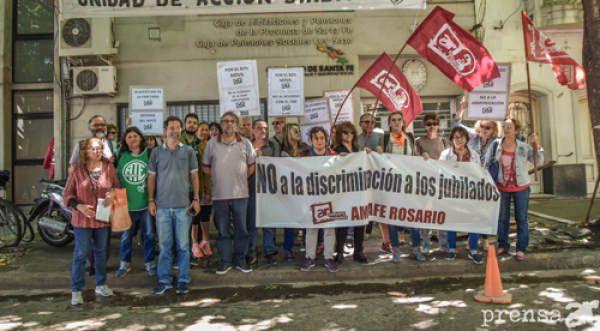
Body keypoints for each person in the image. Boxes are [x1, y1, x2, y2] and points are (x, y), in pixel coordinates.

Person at [63, 138, 120, 305]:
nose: (98, 151)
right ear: (86, 151)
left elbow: (116, 186)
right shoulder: (77, 170)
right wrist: (79, 206)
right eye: (94, 148)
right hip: (82, 220)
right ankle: (76, 289)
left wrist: (112, 193)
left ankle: (101, 284)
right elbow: (68, 195)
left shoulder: (109, 167)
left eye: (100, 148)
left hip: (102, 218)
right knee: (81, 254)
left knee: (101, 253)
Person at [148, 116, 200, 295]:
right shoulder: (156, 152)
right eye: (171, 128)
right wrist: (151, 201)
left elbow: (194, 177)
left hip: (183, 206)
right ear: (164, 131)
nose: (175, 131)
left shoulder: (188, 152)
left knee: (183, 246)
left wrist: (196, 199)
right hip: (162, 207)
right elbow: (152, 178)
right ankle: (164, 280)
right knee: (164, 246)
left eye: (178, 128)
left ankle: (184, 279)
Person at [202, 112, 257, 275]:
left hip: (241, 194)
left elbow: (251, 166)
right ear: (222, 123)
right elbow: (205, 167)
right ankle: (225, 261)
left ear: (236, 124)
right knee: (223, 231)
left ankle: (240, 261)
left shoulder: (246, 143)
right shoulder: (211, 144)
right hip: (219, 195)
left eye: (232, 121)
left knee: (241, 230)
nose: (229, 124)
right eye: (226, 121)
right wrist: (222, 178)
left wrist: (237, 178)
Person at [485, 117, 544, 261]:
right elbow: (487, 163)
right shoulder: (495, 145)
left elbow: (539, 161)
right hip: (502, 187)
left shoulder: (524, 147)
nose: (506, 129)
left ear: (517, 130)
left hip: (521, 187)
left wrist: (537, 146)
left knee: (521, 219)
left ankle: (521, 248)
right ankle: (503, 245)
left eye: (509, 127)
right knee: (503, 218)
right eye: (505, 126)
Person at [375, 111, 424, 262]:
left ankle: (416, 248)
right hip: (391, 185)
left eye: (399, 120)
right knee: (392, 218)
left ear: (403, 122)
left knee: (413, 217)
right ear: (389, 123)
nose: (396, 122)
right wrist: (378, 151)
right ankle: (395, 248)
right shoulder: (384, 139)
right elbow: (378, 158)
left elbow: (416, 157)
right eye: (393, 120)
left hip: (409, 183)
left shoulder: (409, 138)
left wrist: (426, 157)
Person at [431, 126, 483, 264]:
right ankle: (452, 249)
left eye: (461, 136)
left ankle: (473, 251)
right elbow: (441, 172)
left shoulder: (474, 154)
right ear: (451, 139)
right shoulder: (446, 154)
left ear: (466, 138)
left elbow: (480, 173)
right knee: (452, 221)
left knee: (473, 221)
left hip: (470, 193)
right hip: (453, 193)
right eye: (455, 137)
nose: (458, 140)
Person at [114, 127, 157, 277]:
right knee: (125, 237)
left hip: (146, 203)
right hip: (126, 205)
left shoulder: (149, 155)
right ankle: (125, 263)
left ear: (141, 139)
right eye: (129, 136)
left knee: (149, 234)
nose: (132, 138)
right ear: (125, 140)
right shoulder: (121, 157)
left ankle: (150, 262)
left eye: (135, 136)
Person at [299, 126, 338, 272]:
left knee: (329, 228)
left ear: (326, 139)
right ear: (311, 140)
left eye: (322, 138)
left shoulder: (333, 154)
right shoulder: (305, 155)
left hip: (330, 197)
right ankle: (310, 256)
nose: (319, 141)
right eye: (316, 138)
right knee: (311, 228)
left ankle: (329, 257)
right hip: (310, 197)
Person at [414, 113, 451, 255]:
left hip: (441, 182)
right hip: (424, 181)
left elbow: (449, 162)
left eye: (434, 123)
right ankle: (426, 241)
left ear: (438, 124)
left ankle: (443, 241)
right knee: (426, 211)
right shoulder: (419, 141)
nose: (432, 126)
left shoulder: (445, 141)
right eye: (428, 123)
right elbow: (414, 159)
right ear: (424, 125)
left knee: (441, 210)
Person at [333, 121, 369, 264]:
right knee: (343, 220)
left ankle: (358, 251)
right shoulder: (336, 150)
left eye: (352, 132)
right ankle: (340, 251)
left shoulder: (358, 149)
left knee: (359, 220)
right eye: (345, 132)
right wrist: (338, 158)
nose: (349, 135)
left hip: (359, 188)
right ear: (340, 134)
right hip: (343, 190)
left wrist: (368, 154)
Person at [250, 119, 281, 266]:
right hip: (250, 189)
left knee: (269, 221)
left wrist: (263, 158)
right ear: (253, 131)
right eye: (259, 128)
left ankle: (269, 251)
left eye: (265, 128)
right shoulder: (246, 145)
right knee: (252, 222)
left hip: (268, 190)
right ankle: (252, 251)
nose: (263, 130)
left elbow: (279, 165)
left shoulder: (273, 145)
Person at [179, 114, 206, 262]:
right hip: (179, 189)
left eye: (194, 123)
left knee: (194, 222)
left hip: (195, 190)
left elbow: (204, 169)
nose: (191, 125)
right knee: (181, 223)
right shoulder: (177, 141)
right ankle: (181, 255)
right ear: (184, 124)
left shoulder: (201, 144)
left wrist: (205, 190)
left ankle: (192, 251)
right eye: (189, 122)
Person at [280, 123, 307, 262]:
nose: (298, 132)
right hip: (288, 191)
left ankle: (309, 246)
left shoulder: (305, 148)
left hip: (305, 190)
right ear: (287, 134)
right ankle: (288, 249)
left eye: (299, 130)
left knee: (307, 219)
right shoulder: (280, 150)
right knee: (289, 221)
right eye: (294, 130)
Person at [358, 113, 383, 242]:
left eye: (372, 122)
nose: (370, 124)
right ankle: (365, 229)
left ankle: (377, 233)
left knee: (375, 203)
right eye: (367, 122)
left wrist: (380, 149)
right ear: (360, 124)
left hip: (379, 176)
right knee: (365, 202)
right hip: (362, 176)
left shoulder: (381, 137)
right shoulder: (356, 139)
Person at [192, 121, 213, 258]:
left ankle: (205, 241)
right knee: (195, 216)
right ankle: (194, 243)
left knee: (206, 215)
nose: (204, 132)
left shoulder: (211, 145)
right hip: (197, 186)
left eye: (207, 130)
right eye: (202, 129)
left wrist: (209, 191)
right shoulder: (194, 147)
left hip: (209, 185)